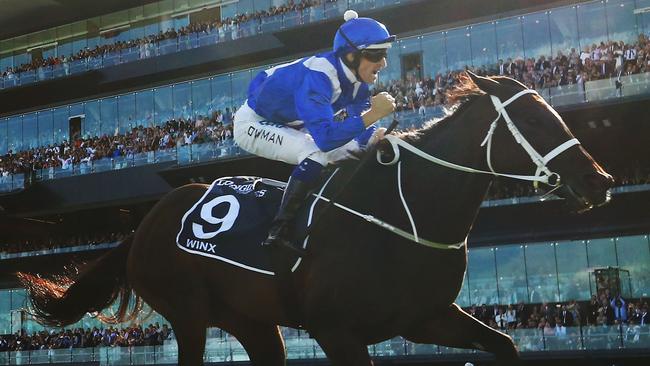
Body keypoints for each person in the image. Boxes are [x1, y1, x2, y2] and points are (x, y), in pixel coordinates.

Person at [233, 10, 396, 252]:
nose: (383, 62)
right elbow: (326, 140)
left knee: (356, 148)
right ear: (351, 56)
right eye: (377, 54)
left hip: (291, 122)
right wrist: (372, 116)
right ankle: (278, 231)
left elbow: (359, 129)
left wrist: (372, 136)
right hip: (252, 123)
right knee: (315, 154)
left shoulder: (357, 81)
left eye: (384, 53)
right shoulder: (318, 77)